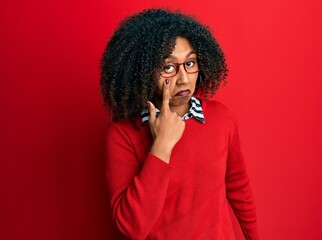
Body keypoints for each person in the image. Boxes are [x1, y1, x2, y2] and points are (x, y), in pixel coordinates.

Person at [100, 8, 259, 239]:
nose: (184, 78)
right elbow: (133, 227)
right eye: (168, 67)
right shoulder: (123, 135)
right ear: (142, 72)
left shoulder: (222, 119)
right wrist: (162, 146)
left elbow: (240, 189)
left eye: (190, 63)